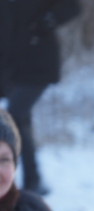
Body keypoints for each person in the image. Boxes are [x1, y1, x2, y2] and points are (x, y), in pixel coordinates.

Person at [0, 0, 82, 194]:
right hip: (10, 66)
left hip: (39, 63)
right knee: (20, 120)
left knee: (15, 117)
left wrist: (48, 20)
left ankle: (33, 182)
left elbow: (72, 6)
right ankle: (32, 180)